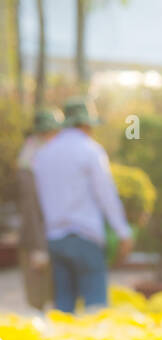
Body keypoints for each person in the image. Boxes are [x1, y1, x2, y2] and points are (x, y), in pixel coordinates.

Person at [31, 97, 132, 315]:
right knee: (95, 308)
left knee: (64, 308)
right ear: (86, 124)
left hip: (56, 238)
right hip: (86, 237)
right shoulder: (90, 150)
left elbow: (40, 201)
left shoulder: (43, 155)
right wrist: (123, 232)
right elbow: (106, 195)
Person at [15, 107, 61, 312]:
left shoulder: (40, 154)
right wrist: (38, 248)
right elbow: (31, 209)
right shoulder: (31, 162)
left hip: (48, 238)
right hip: (37, 242)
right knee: (40, 304)